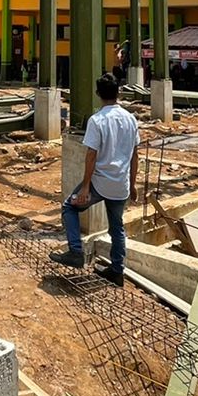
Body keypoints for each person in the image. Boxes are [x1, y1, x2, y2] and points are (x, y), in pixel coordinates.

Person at [50, 73, 140, 286]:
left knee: (69, 208)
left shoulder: (97, 120)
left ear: (98, 93)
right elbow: (135, 155)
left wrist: (85, 187)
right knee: (117, 228)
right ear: (118, 93)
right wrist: (133, 184)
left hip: (99, 183)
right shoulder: (130, 119)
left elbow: (91, 155)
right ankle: (117, 270)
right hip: (120, 185)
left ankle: (75, 251)